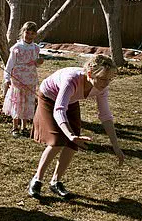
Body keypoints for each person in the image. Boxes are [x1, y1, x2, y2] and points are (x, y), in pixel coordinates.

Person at [27, 54, 125, 199]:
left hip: (70, 101)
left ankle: (55, 182)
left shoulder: (102, 87)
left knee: (74, 143)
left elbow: (105, 116)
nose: (106, 83)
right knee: (57, 141)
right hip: (49, 97)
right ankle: (37, 179)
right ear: (90, 74)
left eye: (109, 79)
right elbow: (59, 110)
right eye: (103, 79)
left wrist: (116, 146)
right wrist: (70, 134)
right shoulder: (72, 79)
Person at [2, 21, 44, 137]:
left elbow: (35, 63)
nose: (29, 36)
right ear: (22, 32)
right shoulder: (17, 48)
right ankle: (15, 127)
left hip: (30, 79)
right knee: (18, 102)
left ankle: (24, 126)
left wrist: (38, 62)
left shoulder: (35, 48)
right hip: (18, 79)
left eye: (32, 33)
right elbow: (10, 64)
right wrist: (7, 78)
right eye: (27, 32)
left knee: (27, 102)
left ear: (35, 35)